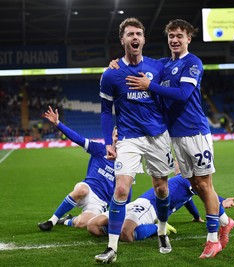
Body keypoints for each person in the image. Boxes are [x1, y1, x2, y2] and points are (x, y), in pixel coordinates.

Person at [124, 19, 224, 258]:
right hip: (176, 136)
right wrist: (117, 64)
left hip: (195, 132)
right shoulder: (164, 64)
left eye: (180, 35)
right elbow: (140, 62)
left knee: (205, 185)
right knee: (194, 185)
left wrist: (150, 85)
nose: (175, 40)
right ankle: (225, 220)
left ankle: (213, 239)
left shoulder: (193, 62)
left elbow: (182, 94)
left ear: (189, 38)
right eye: (171, 36)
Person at [96, 18, 174, 264]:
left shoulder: (157, 67)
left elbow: (178, 67)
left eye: (138, 33)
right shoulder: (111, 74)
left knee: (161, 188)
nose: (135, 38)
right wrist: (109, 141)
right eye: (130, 34)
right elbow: (106, 111)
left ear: (144, 39)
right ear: (122, 40)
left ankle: (161, 230)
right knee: (121, 189)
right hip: (128, 138)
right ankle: (112, 248)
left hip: (158, 136)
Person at [85, 165, 234, 250]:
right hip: (140, 203)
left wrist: (218, 203)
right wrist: (200, 214)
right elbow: (196, 197)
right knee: (92, 225)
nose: (177, 164)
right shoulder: (183, 181)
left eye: (180, 162)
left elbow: (198, 196)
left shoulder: (187, 180)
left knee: (126, 234)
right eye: (177, 162)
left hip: (150, 208)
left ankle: (157, 227)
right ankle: (148, 227)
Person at [38, 106, 128, 231]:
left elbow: (127, 191)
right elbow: (78, 139)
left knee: (82, 223)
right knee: (81, 189)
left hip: (100, 201)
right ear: (112, 135)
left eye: (122, 136)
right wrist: (58, 124)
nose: (118, 139)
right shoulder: (99, 149)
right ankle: (51, 221)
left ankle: (67, 220)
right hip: (88, 188)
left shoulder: (126, 162)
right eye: (117, 135)